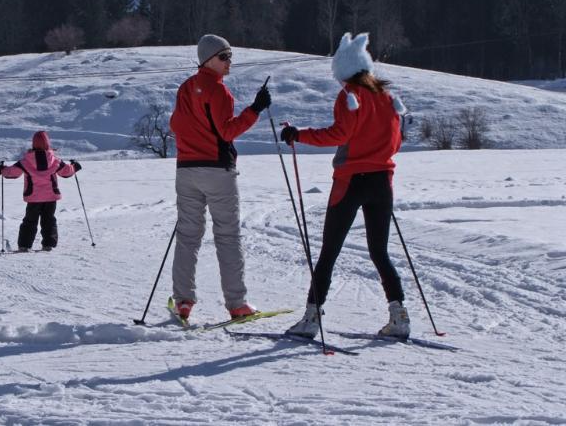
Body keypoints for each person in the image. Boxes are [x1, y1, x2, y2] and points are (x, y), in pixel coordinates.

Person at [280, 32, 410, 338]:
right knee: (380, 252)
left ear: (344, 71)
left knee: (329, 251)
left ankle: (312, 319)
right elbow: (396, 142)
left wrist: (299, 134)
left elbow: (338, 135)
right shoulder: (389, 97)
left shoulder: (350, 96)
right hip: (382, 181)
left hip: (351, 182)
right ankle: (399, 315)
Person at [169, 33, 271, 321]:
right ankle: (237, 304)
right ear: (208, 59)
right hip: (217, 170)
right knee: (227, 236)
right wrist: (255, 109)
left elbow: (175, 124)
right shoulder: (218, 91)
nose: (229, 62)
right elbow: (227, 131)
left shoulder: (185, 88)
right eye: (223, 57)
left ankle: (183, 301)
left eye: (230, 56)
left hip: (186, 170)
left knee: (188, 236)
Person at [0, 131, 79, 252]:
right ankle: (48, 244)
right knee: (49, 220)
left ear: (33, 144)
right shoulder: (55, 160)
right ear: (47, 144)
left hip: (33, 197)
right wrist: (75, 166)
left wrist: (1, 169)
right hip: (51, 197)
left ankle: (25, 245)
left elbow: (12, 173)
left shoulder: (26, 161)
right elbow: (67, 172)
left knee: (30, 221)